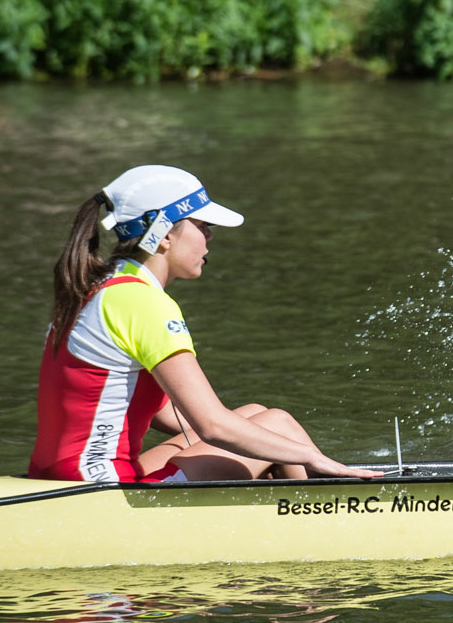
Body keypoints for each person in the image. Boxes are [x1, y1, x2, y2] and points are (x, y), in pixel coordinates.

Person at [29, 165, 378, 485]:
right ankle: (324, 514)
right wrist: (314, 457)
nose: (210, 237)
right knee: (278, 424)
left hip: (62, 473)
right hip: (99, 487)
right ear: (164, 235)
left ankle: (293, 504)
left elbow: (157, 409)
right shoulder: (143, 301)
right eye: (202, 226)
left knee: (255, 415)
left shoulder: (95, 290)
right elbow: (212, 426)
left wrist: (252, 442)